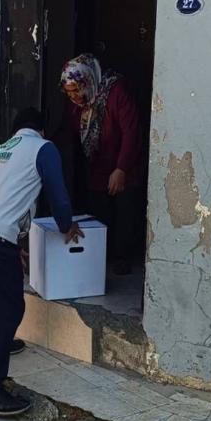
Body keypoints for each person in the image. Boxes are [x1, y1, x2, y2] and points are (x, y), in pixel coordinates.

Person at [0, 108, 82, 418]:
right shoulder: (43, 148)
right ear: (42, 130)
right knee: (8, 308)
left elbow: (0, 196)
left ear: (15, 131)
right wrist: (67, 225)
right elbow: (58, 195)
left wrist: (10, 247)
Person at [58, 53, 143, 276]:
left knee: (125, 213)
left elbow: (132, 133)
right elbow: (68, 131)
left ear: (88, 81)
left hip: (123, 167)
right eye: (69, 92)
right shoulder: (76, 104)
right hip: (96, 167)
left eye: (76, 90)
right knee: (99, 214)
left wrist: (121, 168)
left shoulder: (117, 92)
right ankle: (99, 258)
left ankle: (122, 258)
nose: (74, 96)